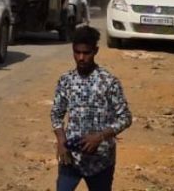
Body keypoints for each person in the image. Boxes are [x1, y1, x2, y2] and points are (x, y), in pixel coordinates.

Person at [51, 26, 132, 191]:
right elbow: (56, 115)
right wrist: (61, 141)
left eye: (86, 53)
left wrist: (100, 137)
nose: (81, 58)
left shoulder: (108, 82)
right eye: (77, 52)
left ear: (95, 51)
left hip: (100, 161)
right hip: (71, 158)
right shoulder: (66, 81)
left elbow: (125, 118)